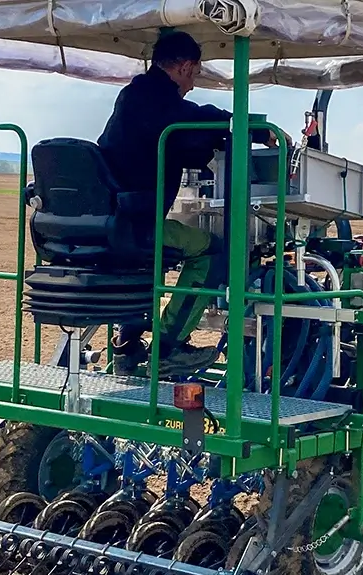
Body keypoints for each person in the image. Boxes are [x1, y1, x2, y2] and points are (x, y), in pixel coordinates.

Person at [95, 30, 279, 378]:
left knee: (144, 264)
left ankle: (126, 345)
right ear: (183, 67)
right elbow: (197, 122)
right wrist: (256, 129)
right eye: (193, 74)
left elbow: (189, 133)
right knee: (214, 252)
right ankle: (168, 348)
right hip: (134, 222)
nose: (192, 83)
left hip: (110, 217)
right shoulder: (159, 103)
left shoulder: (134, 97)